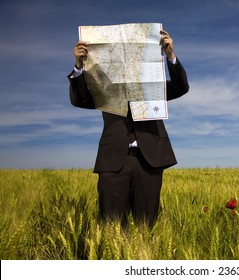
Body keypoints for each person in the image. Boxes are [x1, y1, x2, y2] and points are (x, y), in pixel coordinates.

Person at [68, 30, 189, 228]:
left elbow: (181, 87)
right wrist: (79, 66)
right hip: (113, 160)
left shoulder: (153, 87)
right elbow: (79, 99)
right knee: (111, 224)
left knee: (146, 225)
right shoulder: (104, 89)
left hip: (149, 159)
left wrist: (170, 56)